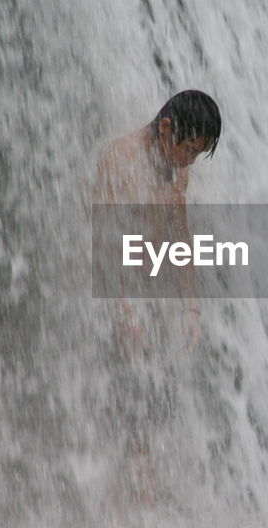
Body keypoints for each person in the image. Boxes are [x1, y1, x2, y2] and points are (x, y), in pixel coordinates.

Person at [93, 89, 221, 353]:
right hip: (104, 299)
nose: (190, 161)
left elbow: (179, 236)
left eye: (197, 154)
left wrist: (191, 307)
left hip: (145, 293)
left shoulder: (178, 169)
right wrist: (125, 317)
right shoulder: (119, 159)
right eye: (188, 150)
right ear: (165, 128)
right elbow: (105, 248)